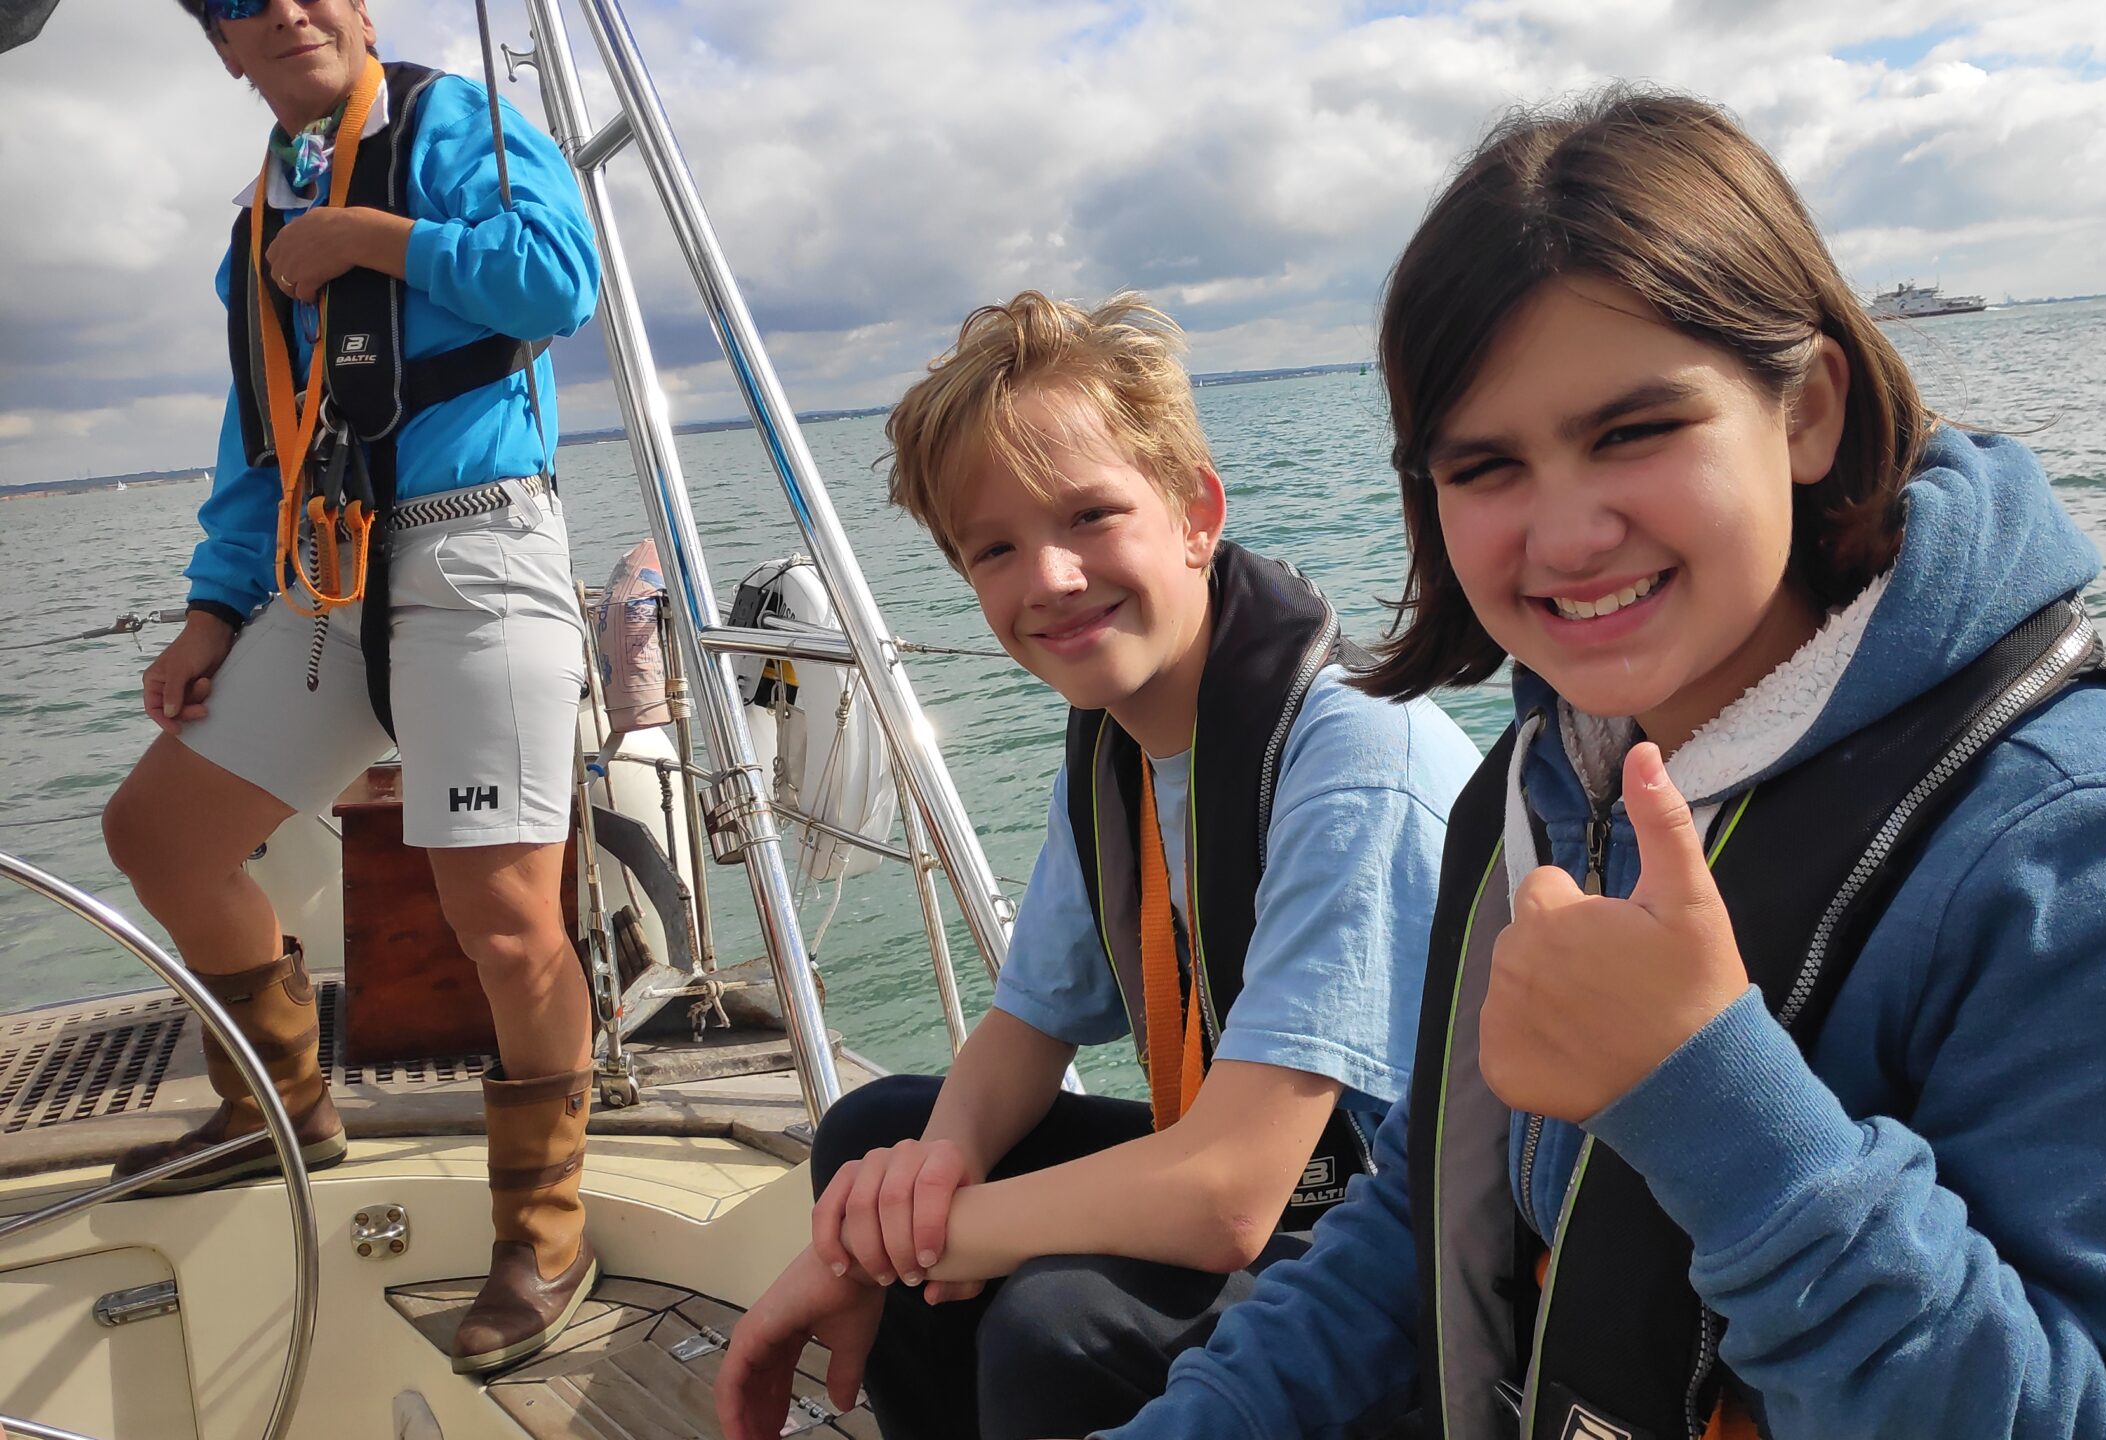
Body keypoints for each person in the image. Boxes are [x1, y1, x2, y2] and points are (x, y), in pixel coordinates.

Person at [1100, 88, 2106, 1439]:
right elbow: (1429, 1200)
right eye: (1486, 468)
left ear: (1808, 411)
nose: (1567, 534)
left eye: (1635, 432)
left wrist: (1713, 1097)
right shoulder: (1541, 789)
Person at [713, 292, 1479, 1440]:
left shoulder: (1352, 758)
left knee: (1060, 1322)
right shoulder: (1125, 740)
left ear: (1195, 514)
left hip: (1403, 1248)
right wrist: (928, 1180)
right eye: (997, 549)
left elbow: (1230, 1198)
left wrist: (883, 1245)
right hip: (1268, 1185)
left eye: (1089, 516)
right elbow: (1027, 1029)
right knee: (878, 1136)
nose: (1052, 579)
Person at [102, 0, 602, 1375]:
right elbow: (257, 430)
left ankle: (545, 1226)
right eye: (238, 5)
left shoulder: (457, 126)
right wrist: (212, 610)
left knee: (500, 916)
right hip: (322, 574)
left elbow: (560, 282)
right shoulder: (250, 226)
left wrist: (373, 240)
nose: (282, 11)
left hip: (479, 542)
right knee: (160, 835)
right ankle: (283, 1100)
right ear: (221, 49)